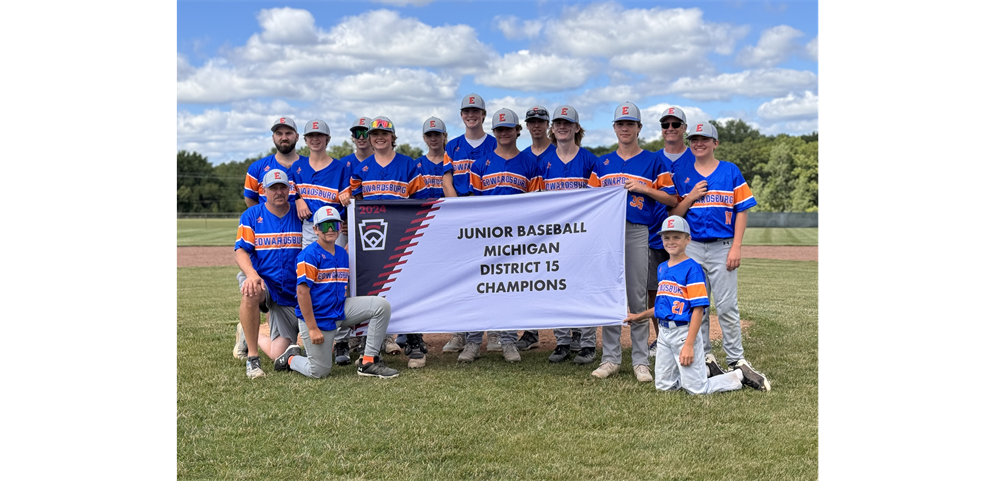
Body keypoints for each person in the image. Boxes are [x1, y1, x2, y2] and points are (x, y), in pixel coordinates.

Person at [623, 215, 769, 393]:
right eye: (666, 237)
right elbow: (662, 307)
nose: (671, 241)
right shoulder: (662, 268)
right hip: (665, 335)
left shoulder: (692, 269)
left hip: (684, 333)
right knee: (664, 387)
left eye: (677, 237)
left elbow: (698, 310)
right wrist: (638, 316)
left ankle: (737, 376)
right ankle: (698, 372)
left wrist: (689, 345)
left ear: (688, 240)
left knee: (697, 389)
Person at [589, 102, 678, 382]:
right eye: (620, 124)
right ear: (614, 128)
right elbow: (589, 201)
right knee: (610, 293)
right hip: (607, 233)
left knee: (638, 294)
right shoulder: (602, 163)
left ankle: (641, 361)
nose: (625, 128)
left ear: (639, 128)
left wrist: (644, 188)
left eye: (630, 123)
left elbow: (672, 199)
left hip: (637, 230)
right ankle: (611, 358)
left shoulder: (653, 161)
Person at [669, 121, 762, 376]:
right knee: (699, 304)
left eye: (705, 139)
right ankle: (705, 356)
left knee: (727, 305)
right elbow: (674, 214)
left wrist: (736, 247)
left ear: (715, 143)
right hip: (694, 247)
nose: (698, 143)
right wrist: (690, 197)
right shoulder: (683, 175)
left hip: (723, 246)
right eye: (694, 140)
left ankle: (736, 359)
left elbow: (741, 210)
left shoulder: (730, 171)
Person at [274, 206, 400, 379]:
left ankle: (368, 361)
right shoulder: (308, 255)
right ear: (316, 229)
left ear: (341, 227)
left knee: (381, 306)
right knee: (318, 371)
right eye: (325, 226)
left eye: (335, 225)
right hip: (318, 318)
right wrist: (312, 328)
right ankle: (291, 359)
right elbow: (302, 293)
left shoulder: (341, 253)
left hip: (339, 310)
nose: (331, 229)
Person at [345, 116, 430, 369]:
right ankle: (371, 345)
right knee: (371, 290)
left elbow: (421, 202)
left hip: (403, 235)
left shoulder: (409, 164)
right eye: (374, 134)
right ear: (369, 139)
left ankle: (415, 341)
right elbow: (355, 208)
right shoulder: (361, 169)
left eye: (384, 133)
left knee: (408, 286)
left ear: (393, 137)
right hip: (371, 239)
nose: (379, 137)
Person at [458, 108, 541, 364]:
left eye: (509, 128)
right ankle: (472, 343)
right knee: (479, 289)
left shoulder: (530, 163)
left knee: (510, 290)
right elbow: (474, 204)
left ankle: (508, 342)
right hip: (486, 237)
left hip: (517, 238)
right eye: (499, 129)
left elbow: (537, 204)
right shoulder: (481, 164)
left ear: (518, 131)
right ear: (494, 133)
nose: (504, 133)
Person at [538, 105, 600, 366]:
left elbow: (598, 200)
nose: (562, 127)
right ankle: (563, 341)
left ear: (577, 127)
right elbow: (536, 199)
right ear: (552, 128)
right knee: (556, 287)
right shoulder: (544, 161)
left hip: (581, 234)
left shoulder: (589, 160)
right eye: (558, 123)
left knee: (584, 287)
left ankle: (587, 344)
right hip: (553, 235)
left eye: (568, 123)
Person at [441, 94, 499, 355]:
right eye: (466, 111)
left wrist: (478, 210)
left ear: (484, 115)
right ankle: (460, 332)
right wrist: (459, 209)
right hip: (460, 214)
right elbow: (446, 181)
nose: (471, 115)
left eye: (476, 111)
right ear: (462, 115)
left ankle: (496, 331)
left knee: (493, 275)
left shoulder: (495, 143)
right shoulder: (452, 146)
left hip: (487, 215)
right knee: (462, 275)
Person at [232, 169, 303, 379]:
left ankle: (245, 331)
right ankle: (253, 360)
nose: (279, 192)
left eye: (283, 187)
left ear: (290, 189)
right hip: (266, 283)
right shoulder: (252, 215)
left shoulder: (300, 215)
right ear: (264, 190)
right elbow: (241, 250)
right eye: (273, 188)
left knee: (278, 353)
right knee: (250, 291)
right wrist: (252, 274)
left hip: (292, 292)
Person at [646, 107, 696, 358]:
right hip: (656, 234)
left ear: (684, 128)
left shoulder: (696, 158)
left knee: (688, 288)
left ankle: (690, 339)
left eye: (676, 124)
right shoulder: (653, 159)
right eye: (665, 124)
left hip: (690, 236)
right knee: (656, 289)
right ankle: (660, 338)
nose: (670, 128)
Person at [514, 106, 557, 353]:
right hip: (530, 228)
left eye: (541, 121)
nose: (536, 126)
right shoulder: (523, 156)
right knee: (529, 277)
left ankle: (571, 332)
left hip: (558, 226)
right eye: (532, 122)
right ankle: (531, 331)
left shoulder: (558, 151)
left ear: (547, 124)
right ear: (527, 126)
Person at [290, 119, 351, 250]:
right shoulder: (297, 166)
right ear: (305, 140)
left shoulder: (340, 168)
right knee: (310, 266)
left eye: (319, 135)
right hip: (310, 226)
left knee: (335, 266)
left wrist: (347, 198)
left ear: (327, 139)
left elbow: (348, 201)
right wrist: (297, 199)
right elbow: (288, 192)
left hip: (333, 227)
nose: (315, 139)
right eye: (311, 135)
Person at [244, 117, 304, 207]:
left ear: (297, 137)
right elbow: (250, 199)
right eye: (279, 134)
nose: (284, 138)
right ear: (273, 137)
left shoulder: (310, 166)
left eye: (288, 133)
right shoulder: (257, 168)